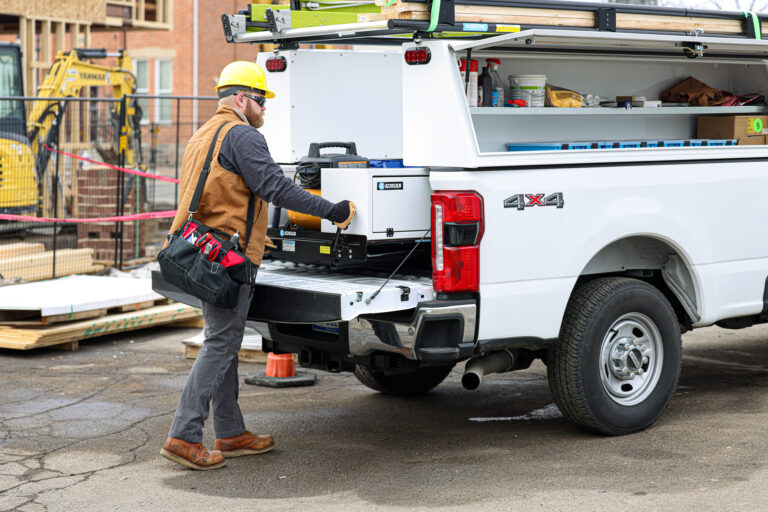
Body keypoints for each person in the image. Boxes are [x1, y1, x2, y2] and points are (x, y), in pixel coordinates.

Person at [160, 61, 355, 470]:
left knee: (223, 341)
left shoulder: (202, 134)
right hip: (228, 257)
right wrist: (332, 210)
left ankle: (230, 433)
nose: (264, 109)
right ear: (242, 98)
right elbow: (276, 188)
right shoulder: (242, 136)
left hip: (201, 253)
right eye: (261, 100)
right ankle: (183, 435)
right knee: (221, 343)